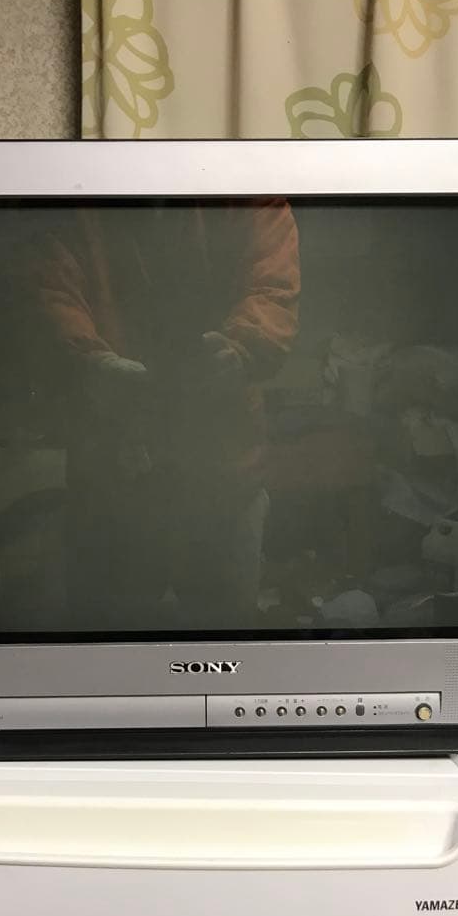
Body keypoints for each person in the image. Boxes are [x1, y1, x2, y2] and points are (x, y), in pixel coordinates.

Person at [30, 197, 300, 630]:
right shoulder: (77, 198)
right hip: (114, 472)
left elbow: (270, 289)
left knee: (221, 646)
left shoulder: (250, 197)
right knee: (110, 646)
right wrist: (89, 364)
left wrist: (239, 350)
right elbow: (50, 288)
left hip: (221, 474)